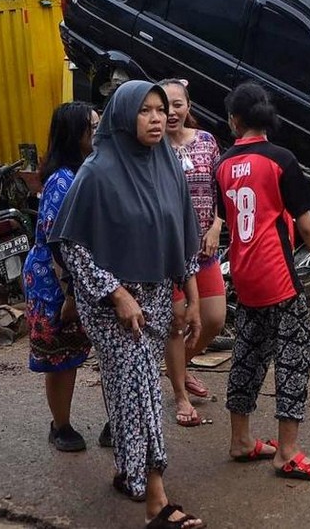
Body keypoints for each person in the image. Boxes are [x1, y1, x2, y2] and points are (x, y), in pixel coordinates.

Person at [49, 81, 205, 529]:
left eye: (161, 110)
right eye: (146, 111)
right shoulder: (97, 172)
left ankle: (129, 471)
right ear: (123, 117)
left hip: (156, 296)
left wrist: (191, 299)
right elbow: (73, 246)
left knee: (126, 389)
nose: (158, 119)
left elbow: (181, 236)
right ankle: (157, 500)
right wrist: (116, 294)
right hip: (112, 303)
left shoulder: (167, 165)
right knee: (141, 389)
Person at [216, 82, 310, 482]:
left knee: (249, 351)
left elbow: (228, 222)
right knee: (293, 356)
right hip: (277, 274)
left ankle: (240, 439)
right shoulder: (280, 159)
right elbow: (305, 225)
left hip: (243, 272)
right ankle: (287, 453)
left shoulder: (223, 165)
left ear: (235, 120)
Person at [24, 101, 100, 451]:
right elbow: (58, 243)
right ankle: (60, 425)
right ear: (75, 134)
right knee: (59, 358)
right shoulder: (61, 181)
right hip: (53, 280)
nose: (98, 132)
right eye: (91, 127)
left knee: (73, 351)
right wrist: (70, 295)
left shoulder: (87, 172)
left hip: (76, 279)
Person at [159, 79, 226, 428]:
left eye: (177, 104)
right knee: (177, 323)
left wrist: (216, 226)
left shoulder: (207, 142)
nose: (171, 113)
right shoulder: (152, 149)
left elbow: (221, 191)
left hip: (205, 249)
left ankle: (179, 368)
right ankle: (181, 395)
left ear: (188, 106)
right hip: (170, 254)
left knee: (214, 318)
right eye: (164, 106)